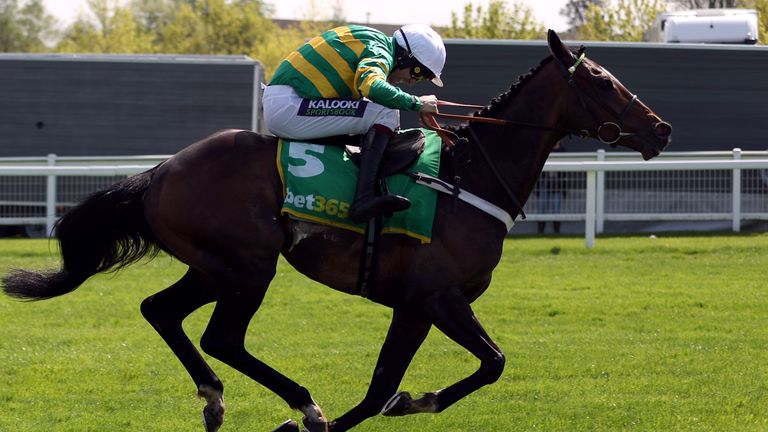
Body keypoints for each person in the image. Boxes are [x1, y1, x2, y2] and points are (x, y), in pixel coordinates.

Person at [263, 24, 445, 223]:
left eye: (422, 78)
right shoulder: (379, 50)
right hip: (290, 105)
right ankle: (364, 198)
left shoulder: (374, 40)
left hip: (288, 101)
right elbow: (372, 86)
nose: (412, 82)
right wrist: (416, 103)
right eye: (418, 73)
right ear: (405, 57)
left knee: (379, 111)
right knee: (386, 113)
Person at [536, 142, 567, 234]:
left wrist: (564, 189)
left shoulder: (562, 150)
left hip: (557, 185)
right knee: (541, 209)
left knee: (556, 210)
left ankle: (556, 232)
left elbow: (564, 171)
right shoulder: (545, 147)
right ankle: (540, 232)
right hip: (544, 184)